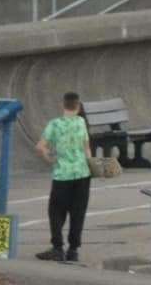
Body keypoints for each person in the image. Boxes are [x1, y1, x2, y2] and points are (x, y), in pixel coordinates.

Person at [35, 92, 92, 262]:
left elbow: (40, 147)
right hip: (82, 174)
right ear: (78, 105)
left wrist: (50, 158)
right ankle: (73, 250)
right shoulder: (82, 122)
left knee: (56, 212)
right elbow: (87, 148)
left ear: (63, 105)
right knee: (78, 212)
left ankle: (57, 247)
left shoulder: (55, 124)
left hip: (62, 175)